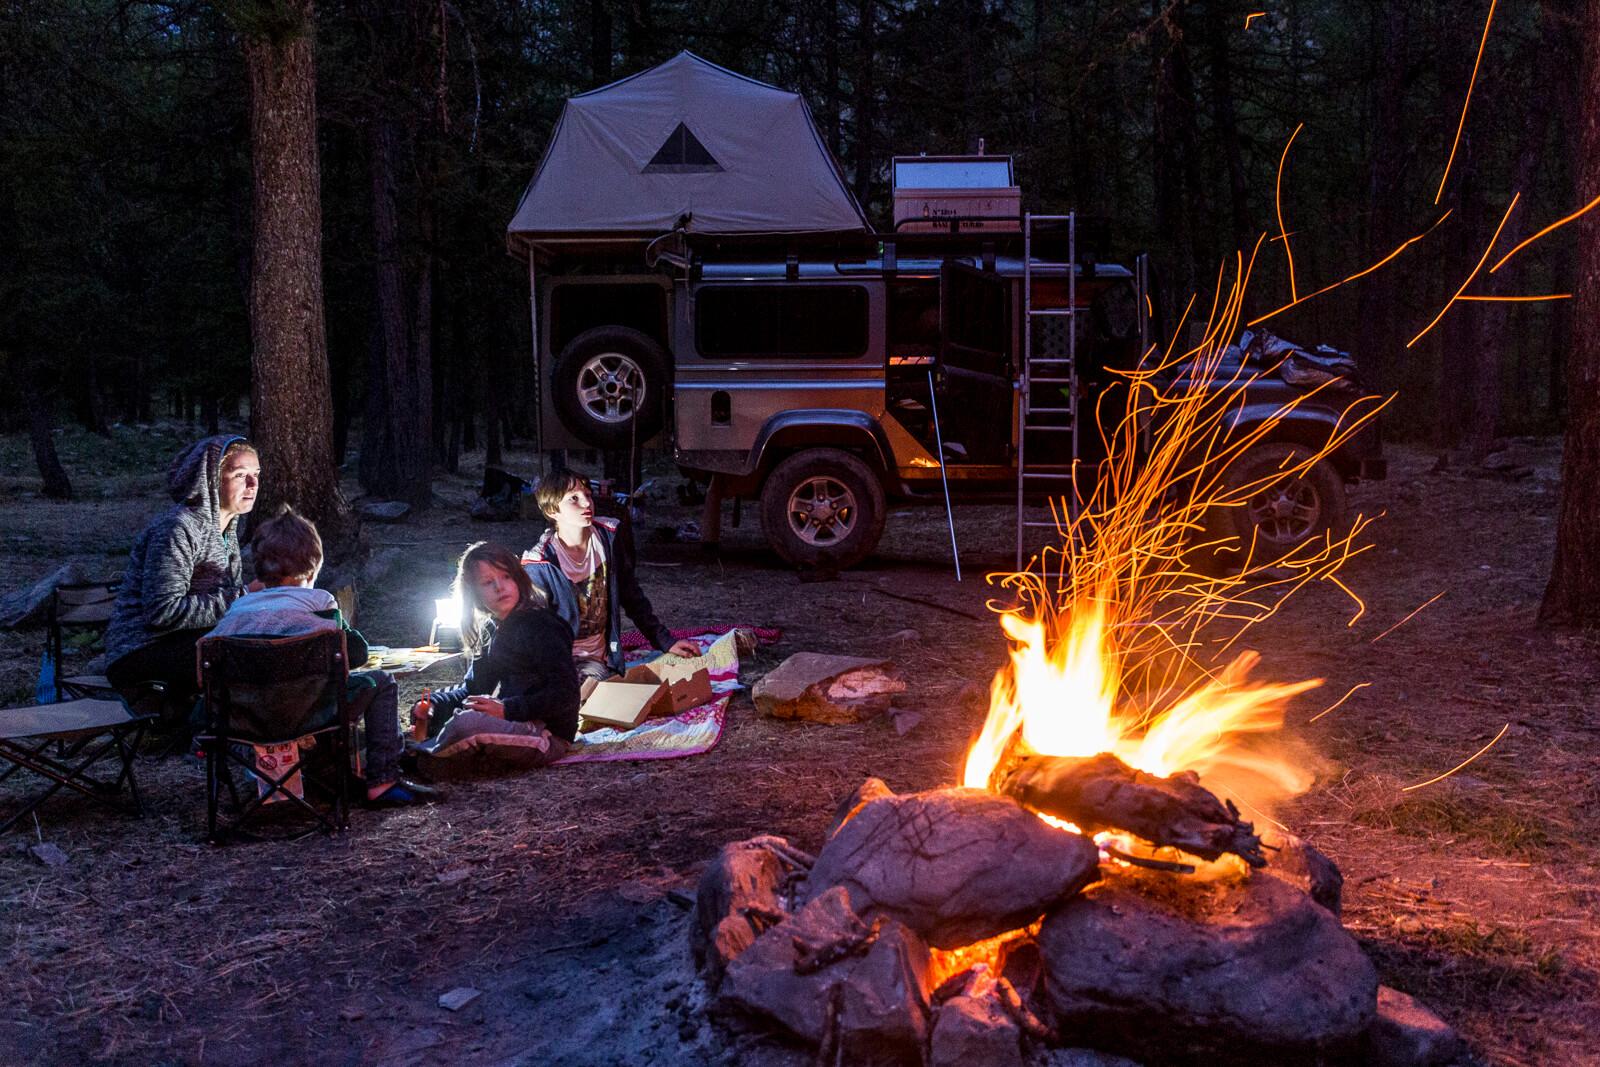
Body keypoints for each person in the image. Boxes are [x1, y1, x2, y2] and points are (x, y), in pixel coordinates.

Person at [207, 508, 438, 807]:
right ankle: (382, 780)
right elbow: (356, 653)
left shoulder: (236, 611)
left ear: (260, 570)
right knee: (381, 681)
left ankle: (261, 782)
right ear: (314, 568)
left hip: (244, 721)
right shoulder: (320, 604)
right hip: (312, 715)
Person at [105, 435, 261, 714]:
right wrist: (244, 598)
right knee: (246, 656)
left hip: (186, 643)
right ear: (210, 479)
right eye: (240, 475)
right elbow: (161, 612)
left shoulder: (226, 530)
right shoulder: (178, 529)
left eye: (256, 474)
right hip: (140, 650)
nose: (253, 485)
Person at [412, 542, 581, 778]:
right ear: (474, 593)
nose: (500, 587)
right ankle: (427, 755)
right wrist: (434, 704)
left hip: (548, 735)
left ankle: (419, 760)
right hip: (514, 723)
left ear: (518, 579)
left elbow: (566, 693)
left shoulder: (542, 626)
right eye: (488, 582)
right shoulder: (492, 629)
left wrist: (508, 709)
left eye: (506, 576)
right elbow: (472, 690)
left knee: (467, 725)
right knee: (459, 721)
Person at [523, 473, 698, 685]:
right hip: (558, 661)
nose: (587, 502)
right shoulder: (540, 564)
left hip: (594, 661)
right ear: (553, 510)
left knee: (593, 688)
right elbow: (535, 632)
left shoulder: (607, 539)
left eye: (587, 494)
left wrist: (665, 641)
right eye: (574, 498)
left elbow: (632, 596)